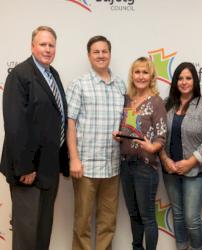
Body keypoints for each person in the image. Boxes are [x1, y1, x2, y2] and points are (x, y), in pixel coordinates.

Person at [0, 26, 69, 250]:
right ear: (32, 46)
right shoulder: (19, 75)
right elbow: (15, 125)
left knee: (42, 234)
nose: (48, 49)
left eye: (51, 45)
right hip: (28, 172)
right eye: (43, 44)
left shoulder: (52, 74)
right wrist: (24, 168)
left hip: (49, 169)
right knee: (26, 237)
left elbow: (56, 117)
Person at [66, 35, 125, 250]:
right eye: (96, 52)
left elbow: (125, 122)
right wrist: (73, 158)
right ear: (89, 56)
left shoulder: (120, 84)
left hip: (112, 166)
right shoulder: (79, 85)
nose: (101, 55)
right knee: (82, 224)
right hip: (86, 167)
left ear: (110, 54)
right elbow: (70, 124)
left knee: (107, 224)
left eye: (104, 51)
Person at [159, 62, 202, 250]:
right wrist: (165, 160)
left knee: (191, 217)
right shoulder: (167, 104)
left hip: (196, 171)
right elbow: (159, 134)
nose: (184, 82)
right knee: (178, 214)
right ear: (175, 81)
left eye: (188, 78)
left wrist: (190, 162)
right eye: (180, 78)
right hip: (170, 170)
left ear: (195, 81)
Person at [112, 57, 167, 250]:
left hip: (145, 166)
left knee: (147, 217)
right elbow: (127, 129)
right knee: (134, 214)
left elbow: (161, 135)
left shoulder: (156, 102)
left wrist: (153, 148)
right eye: (137, 72)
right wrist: (119, 136)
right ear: (132, 75)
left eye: (145, 72)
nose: (141, 76)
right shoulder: (127, 99)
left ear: (151, 75)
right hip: (126, 164)